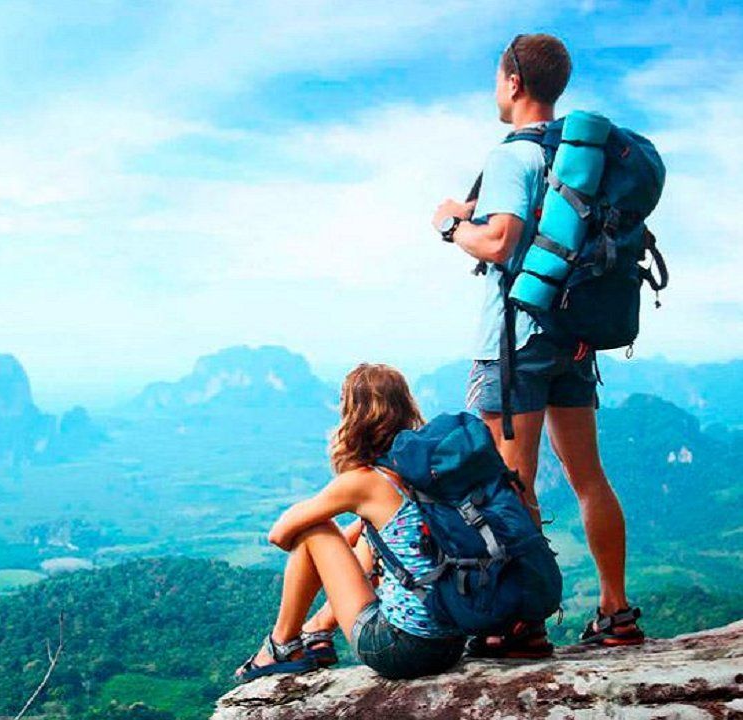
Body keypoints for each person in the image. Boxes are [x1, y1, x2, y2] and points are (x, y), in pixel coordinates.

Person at [430, 33, 643, 656]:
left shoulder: (513, 157)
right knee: (588, 477)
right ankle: (616, 611)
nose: (496, 90)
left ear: (514, 82)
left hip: (516, 342)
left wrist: (450, 224)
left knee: (510, 481)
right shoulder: (578, 159)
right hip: (574, 338)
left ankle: (521, 623)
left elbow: (499, 242)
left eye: (497, 79)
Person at [234, 364, 465, 682]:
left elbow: (280, 535)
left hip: (401, 650)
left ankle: (281, 645)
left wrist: (317, 520)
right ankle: (317, 632)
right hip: (451, 644)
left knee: (317, 529)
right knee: (367, 533)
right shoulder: (424, 472)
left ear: (354, 416)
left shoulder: (365, 481)